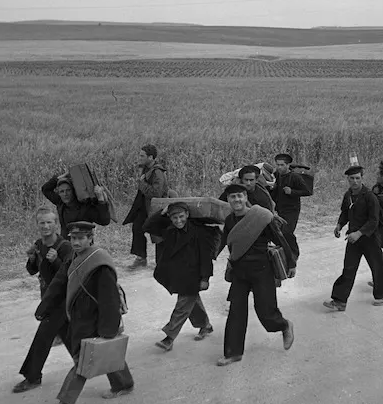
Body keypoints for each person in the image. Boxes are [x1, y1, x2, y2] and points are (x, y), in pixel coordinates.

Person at [38, 222, 134, 404]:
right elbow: (59, 283)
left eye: (81, 238)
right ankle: (123, 384)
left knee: (82, 361)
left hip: (96, 320)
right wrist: (44, 307)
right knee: (106, 352)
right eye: (73, 238)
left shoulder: (99, 261)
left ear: (91, 238)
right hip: (79, 319)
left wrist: (107, 328)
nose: (76, 242)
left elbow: (109, 298)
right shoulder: (73, 258)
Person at [215, 184, 296, 366]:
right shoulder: (229, 221)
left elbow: (281, 239)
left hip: (261, 271)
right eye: (232, 197)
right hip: (239, 272)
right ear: (228, 200)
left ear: (245, 198)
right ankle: (233, 353)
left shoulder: (261, 217)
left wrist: (291, 263)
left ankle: (284, 325)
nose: (236, 200)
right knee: (236, 312)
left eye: (239, 196)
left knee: (266, 312)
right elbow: (224, 242)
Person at [12, 207, 74, 393]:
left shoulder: (65, 247)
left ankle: (32, 377)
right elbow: (33, 271)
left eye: (49, 222)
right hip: (49, 297)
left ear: (56, 224)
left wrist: (56, 261)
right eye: (42, 222)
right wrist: (32, 258)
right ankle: (100, 368)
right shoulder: (39, 244)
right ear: (37, 225)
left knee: (43, 337)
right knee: (70, 338)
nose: (46, 226)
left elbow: (69, 275)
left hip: (61, 300)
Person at [146, 202, 217, 352]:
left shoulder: (199, 232)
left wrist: (205, 278)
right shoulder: (170, 230)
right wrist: (161, 212)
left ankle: (169, 338)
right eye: (174, 218)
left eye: (181, 216)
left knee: (183, 305)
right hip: (178, 274)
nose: (178, 221)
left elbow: (206, 256)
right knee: (191, 301)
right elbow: (147, 227)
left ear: (187, 215)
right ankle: (205, 326)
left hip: (194, 275)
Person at [323, 165, 383, 311]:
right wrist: (339, 225)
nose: (355, 181)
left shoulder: (370, 197)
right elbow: (345, 213)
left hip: (369, 237)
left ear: (362, 179)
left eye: (357, 178)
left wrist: (359, 233)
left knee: (377, 267)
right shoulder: (348, 195)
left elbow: (374, 221)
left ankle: (382, 295)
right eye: (352, 178)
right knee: (349, 268)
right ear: (348, 179)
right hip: (353, 238)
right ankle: (340, 301)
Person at [122, 144, 169, 270]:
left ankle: (162, 263)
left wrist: (141, 183)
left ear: (151, 157)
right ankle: (140, 257)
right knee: (137, 227)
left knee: (158, 235)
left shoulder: (157, 172)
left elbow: (156, 193)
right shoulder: (146, 169)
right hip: (145, 207)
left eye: (142, 156)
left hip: (155, 208)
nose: (139, 158)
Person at [41, 173, 111, 240]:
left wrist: (101, 200)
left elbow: (105, 221)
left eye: (68, 190)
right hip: (66, 246)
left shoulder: (85, 207)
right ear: (59, 193)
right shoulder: (60, 202)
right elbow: (45, 189)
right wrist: (63, 176)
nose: (65, 194)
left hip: (84, 247)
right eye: (62, 191)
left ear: (73, 191)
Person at [270, 153, 311, 260]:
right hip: (279, 208)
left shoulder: (295, 177)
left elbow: (307, 191)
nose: (279, 167)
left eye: (282, 165)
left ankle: (294, 254)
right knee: (278, 232)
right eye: (277, 165)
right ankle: (284, 252)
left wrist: (292, 191)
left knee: (287, 232)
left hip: (292, 209)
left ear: (288, 165)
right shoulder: (276, 175)